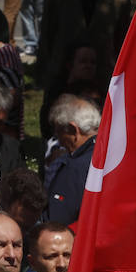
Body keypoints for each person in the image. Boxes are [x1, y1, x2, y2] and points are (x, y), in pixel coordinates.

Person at [43, 95, 100, 225]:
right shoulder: (114, 156)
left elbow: (56, 222)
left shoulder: (75, 168)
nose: (60, 141)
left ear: (73, 129)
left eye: (59, 132)